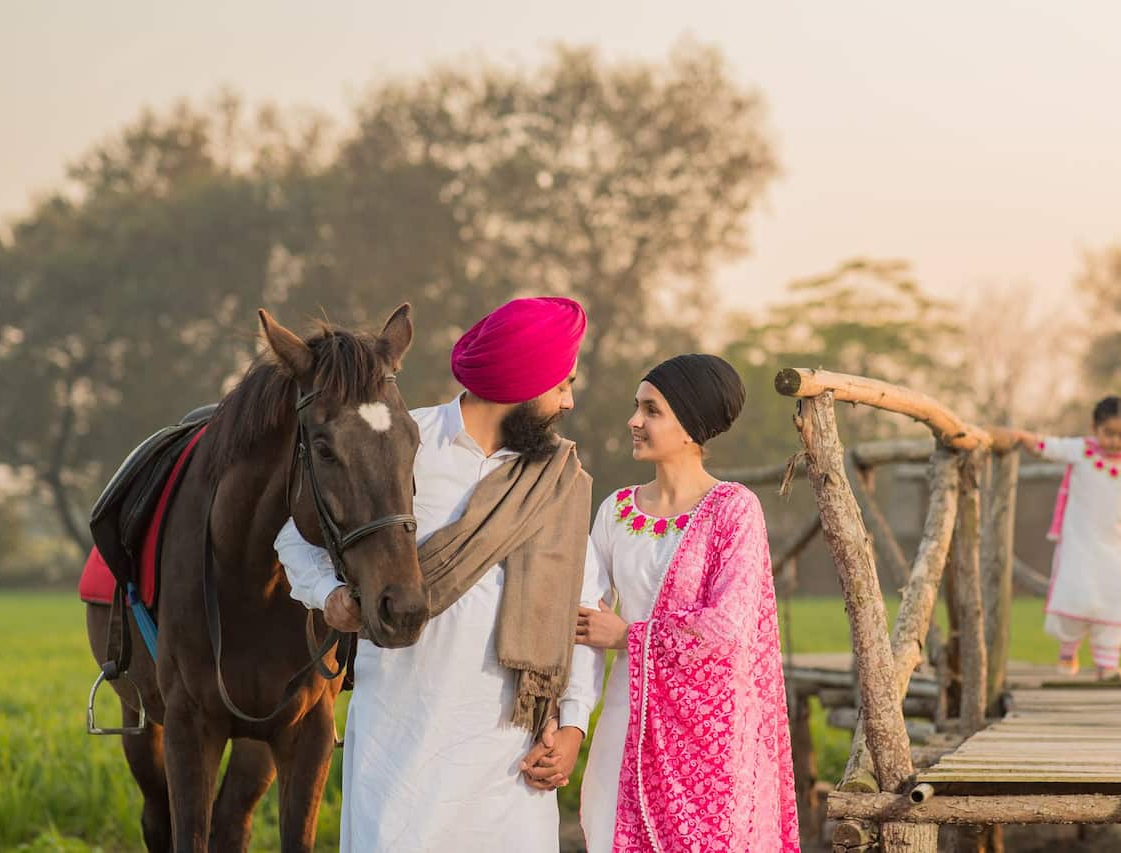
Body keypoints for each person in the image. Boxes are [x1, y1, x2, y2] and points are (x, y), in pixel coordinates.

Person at [275, 297, 604, 852]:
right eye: (561, 383)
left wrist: (571, 724)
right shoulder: (403, 442)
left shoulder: (558, 481)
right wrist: (328, 593)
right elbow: (294, 537)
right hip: (401, 738)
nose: (568, 401)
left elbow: (583, 613)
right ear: (522, 380)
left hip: (512, 748)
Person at [566, 353, 799, 852]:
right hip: (625, 725)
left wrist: (628, 635)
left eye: (651, 410)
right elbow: (583, 617)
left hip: (713, 747)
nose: (633, 421)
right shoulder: (616, 511)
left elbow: (727, 628)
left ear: (690, 426)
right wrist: (568, 721)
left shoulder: (733, 511)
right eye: (636, 407)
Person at [999, 396, 1121, 681]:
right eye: (1109, 433)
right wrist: (1020, 436)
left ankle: (1107, 662)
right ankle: (1069, 648)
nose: (1115, 441)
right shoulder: (1080, 450)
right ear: (1094, 427)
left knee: (1115, 594)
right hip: (1080, 540)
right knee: (1077, 592)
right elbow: (1048, 447)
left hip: (1115, 541)